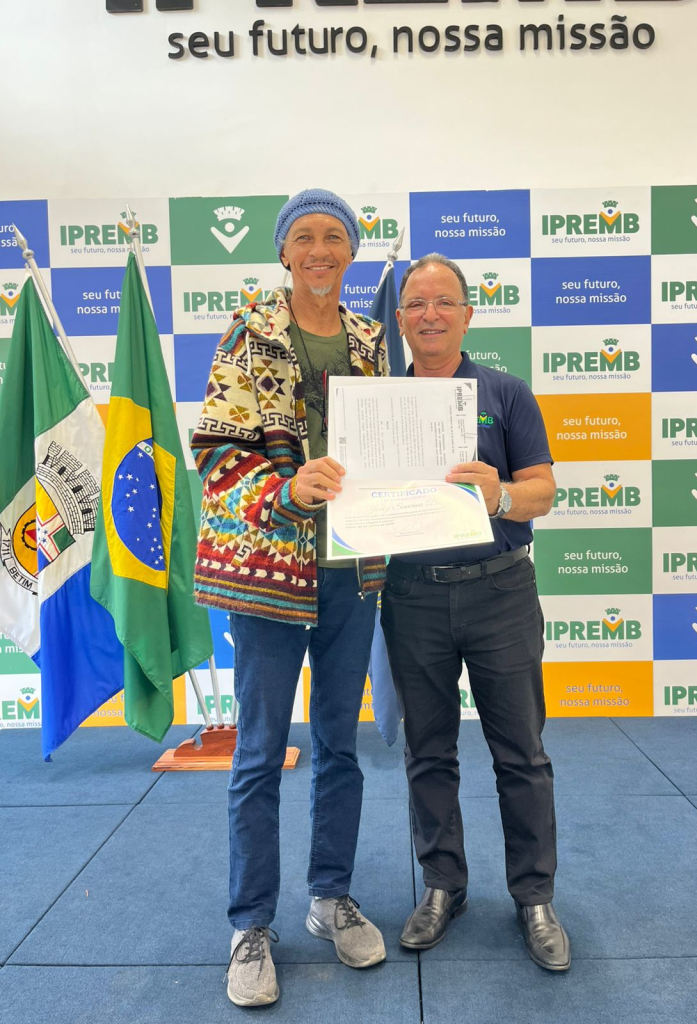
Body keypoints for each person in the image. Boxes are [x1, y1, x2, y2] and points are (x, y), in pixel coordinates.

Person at [191, 189, 389, 1007]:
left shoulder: (372, 339)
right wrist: (286, 490)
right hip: (268, 570)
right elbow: (213, 451)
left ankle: (329, 897)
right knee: (260, 750)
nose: (319, 249)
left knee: (340, 743)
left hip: (353, 567)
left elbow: (388, 444)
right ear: (283, 252)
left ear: (351, 253)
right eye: (304, 236)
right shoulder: (249, 333)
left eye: (334, 236)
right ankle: (250, 925)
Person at [381, 253, 570, 971]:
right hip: (412, 595)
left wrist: (500, 496)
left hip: (501, 592)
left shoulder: (506, 392)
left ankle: (535, 897)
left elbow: (543, 490)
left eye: (443, 302)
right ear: (400, 320)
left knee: (521, 752)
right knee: (427, 750)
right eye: (416, 303)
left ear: (467, 314)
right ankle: (443, 886)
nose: (429, 314)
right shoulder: (377, 404)